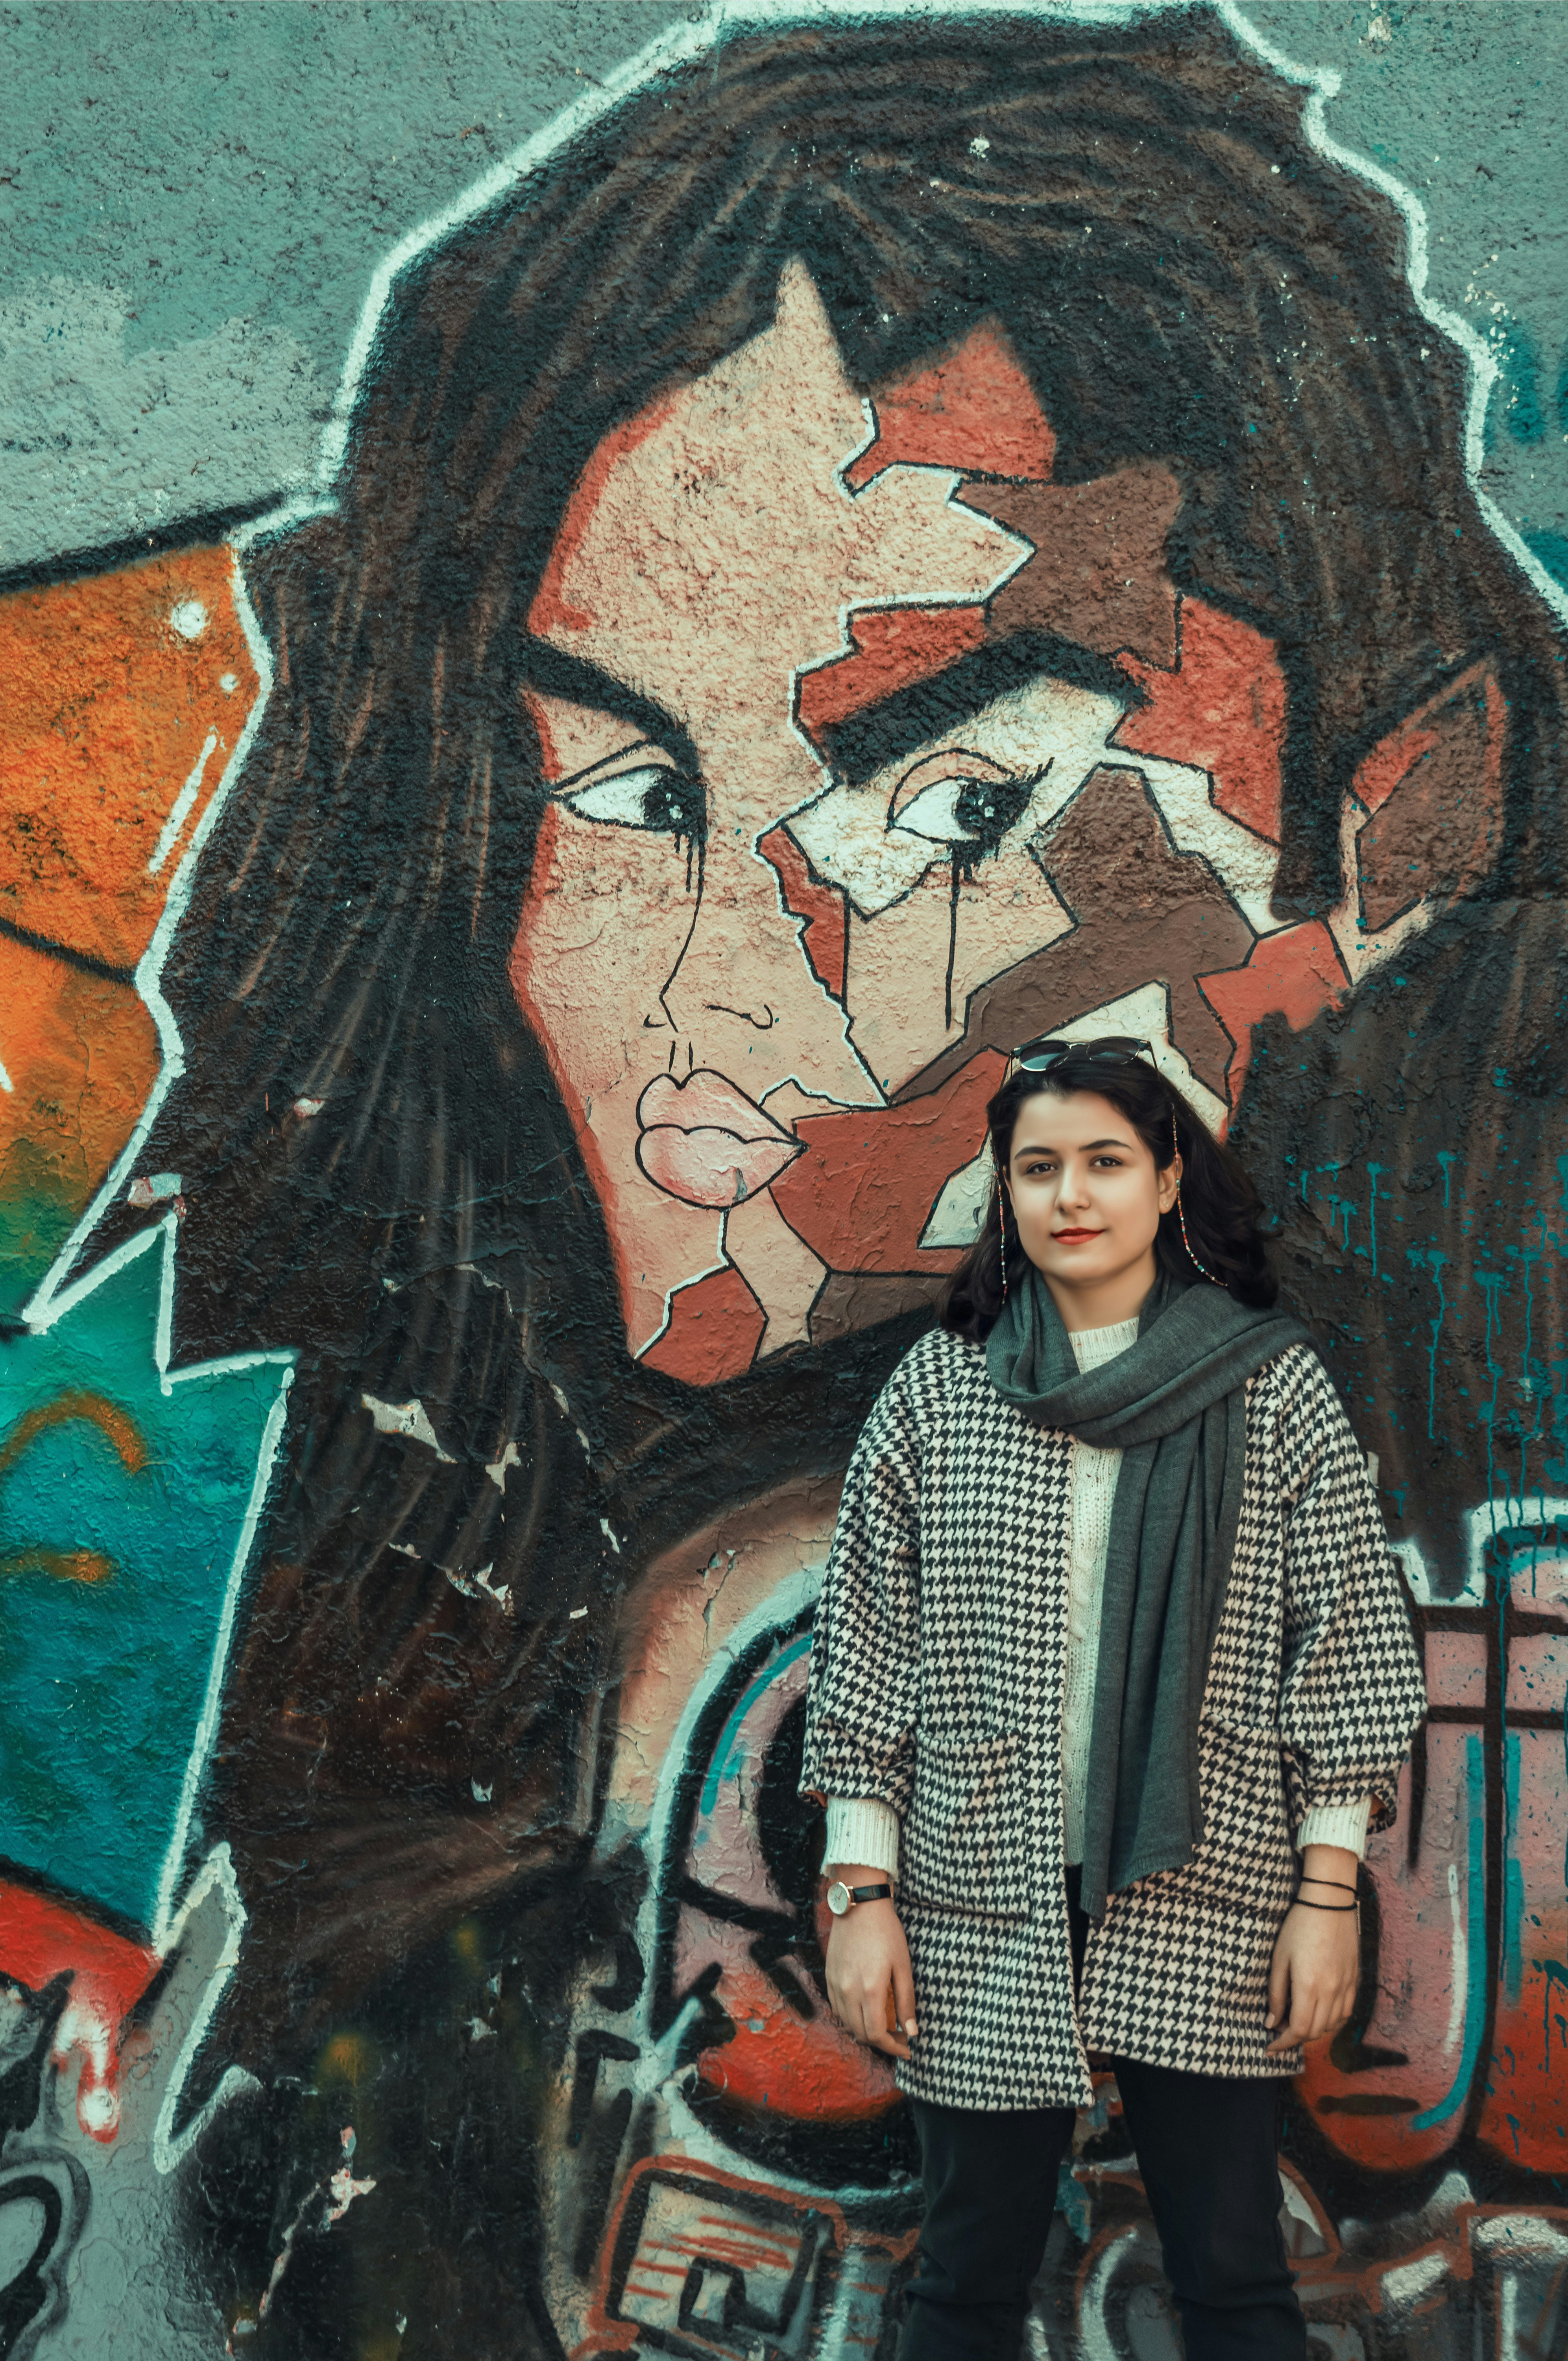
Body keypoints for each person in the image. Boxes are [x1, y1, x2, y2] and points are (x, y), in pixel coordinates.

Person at [61, 9, 1554, 2344]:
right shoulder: (408, 1700)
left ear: (1403, 819)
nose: (720, 1033)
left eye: (956, 812)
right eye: (625, 796)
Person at [800, 1035, 1427, 2360]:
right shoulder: (944, 1388)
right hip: (980, 1895)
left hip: (1211, 1894)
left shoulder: (1265, 1386)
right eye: (1037, 1167)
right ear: (1007, 1194)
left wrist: (1325, 1898)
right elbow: (866, 1642)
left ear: (1164, 1183)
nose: (1069, 1194)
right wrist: (860, 1894)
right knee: (964, 2280)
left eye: (1102, 1161)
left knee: (1235, 2280)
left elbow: (1356, 1647)